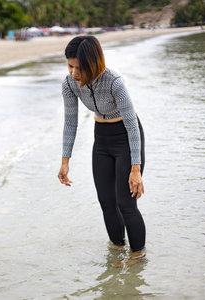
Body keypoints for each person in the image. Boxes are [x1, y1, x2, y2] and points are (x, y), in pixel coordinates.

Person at [57, 36, 146, 262]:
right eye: (70, 66)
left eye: (80, 67)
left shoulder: (115, 82)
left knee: (126, 203)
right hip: (102, 140)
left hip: (126, 137)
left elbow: (132, 126)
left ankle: (137, 255)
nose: (74, 73)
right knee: (106, 201)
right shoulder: (69, 84)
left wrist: (135, 169)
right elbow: (70, 122)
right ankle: (117, 249)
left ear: (93, 64)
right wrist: (65, 161)